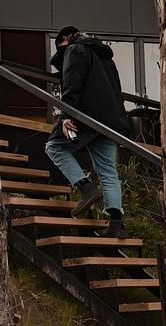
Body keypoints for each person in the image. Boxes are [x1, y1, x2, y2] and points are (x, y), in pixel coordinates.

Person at [44, 26, 131, 239]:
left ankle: (85, 187)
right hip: (110, 120)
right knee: (108, 171)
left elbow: (72, 85)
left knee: (54, 147)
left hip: (86, 116)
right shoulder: (104, 56)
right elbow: (117, 89)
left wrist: (66, 116)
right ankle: (116, 224)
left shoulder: (75, 50)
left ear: (64, 39)